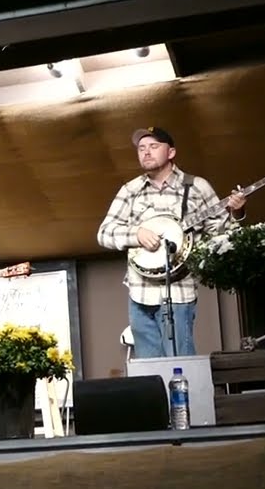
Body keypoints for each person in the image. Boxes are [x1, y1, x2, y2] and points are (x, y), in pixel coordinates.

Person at [97, 127, 247, 358]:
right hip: (139, 291)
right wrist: (136, 234)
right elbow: (104, 233)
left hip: (179, 291)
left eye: (153, 146)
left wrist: (236, 214)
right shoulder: (130, 190)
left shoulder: (196, 187)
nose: (146, 152)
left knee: (181, 364)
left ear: (171, 152)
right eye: (141, 148)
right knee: (149, 371)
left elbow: (219, 235)